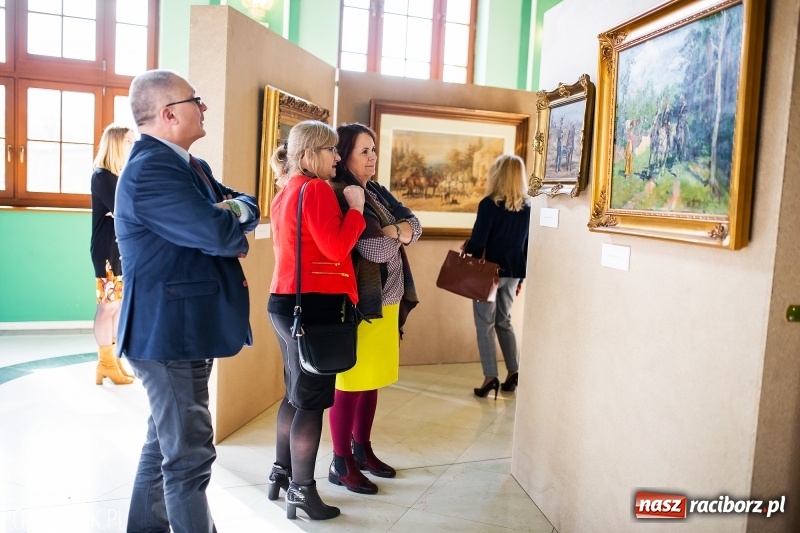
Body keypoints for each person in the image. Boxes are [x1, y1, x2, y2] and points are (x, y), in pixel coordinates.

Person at [114, 69, 260, 533]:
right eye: (197, 100)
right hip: (168, 336)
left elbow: (246, 204)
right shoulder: (153, 169)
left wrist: (228, 210)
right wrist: (225, 217)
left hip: (183, 330)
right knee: (190, 458)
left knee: (165, 445)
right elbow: (221, 235)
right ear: (169, 112)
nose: (205, 107)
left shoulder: (187, 164)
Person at [266, 120, 366, 521]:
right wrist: (356, 210)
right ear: (310, 153)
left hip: (284, 301)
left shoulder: (285, 190)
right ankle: (303, 492)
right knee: (311, 403)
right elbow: (338, 246)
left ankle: (282, 472)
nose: (337, 158)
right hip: (315, 309)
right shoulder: (317, 189)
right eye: (331, 151)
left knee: (294, 395)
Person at [327, 123, 421, 495]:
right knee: (350, 384)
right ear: (345, 153)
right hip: (362, 304)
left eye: (374, 149)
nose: (373, 157)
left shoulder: (375, 190)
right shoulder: (342, 193)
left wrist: (395, 232)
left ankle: (362, 449)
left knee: (373, 381)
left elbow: (415, 224)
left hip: (391, 300)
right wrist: (396, 235)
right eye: (364, 150)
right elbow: (374, 250)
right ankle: (340, 461)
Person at [465, 154, 530, 399]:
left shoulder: (489, 204)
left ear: (498, 175)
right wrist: (521, 279)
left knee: (485, 325)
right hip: (513, 273)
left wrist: (468, 248)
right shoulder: (527, 208)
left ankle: (490, 377)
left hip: (488, 273)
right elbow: (526, 246)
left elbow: (478, 241)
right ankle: (514, 371)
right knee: (504, 321)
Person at [90, 123, 134, 385]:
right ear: (116, 143)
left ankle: (113, 360)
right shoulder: (102, 175)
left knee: (117, 307)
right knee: (107, 307)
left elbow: (125, 211)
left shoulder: (119, 176)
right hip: (107, 248)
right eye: (128, 140)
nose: (132, 144)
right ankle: (105, 363)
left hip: (120, 247)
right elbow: (124, 210)